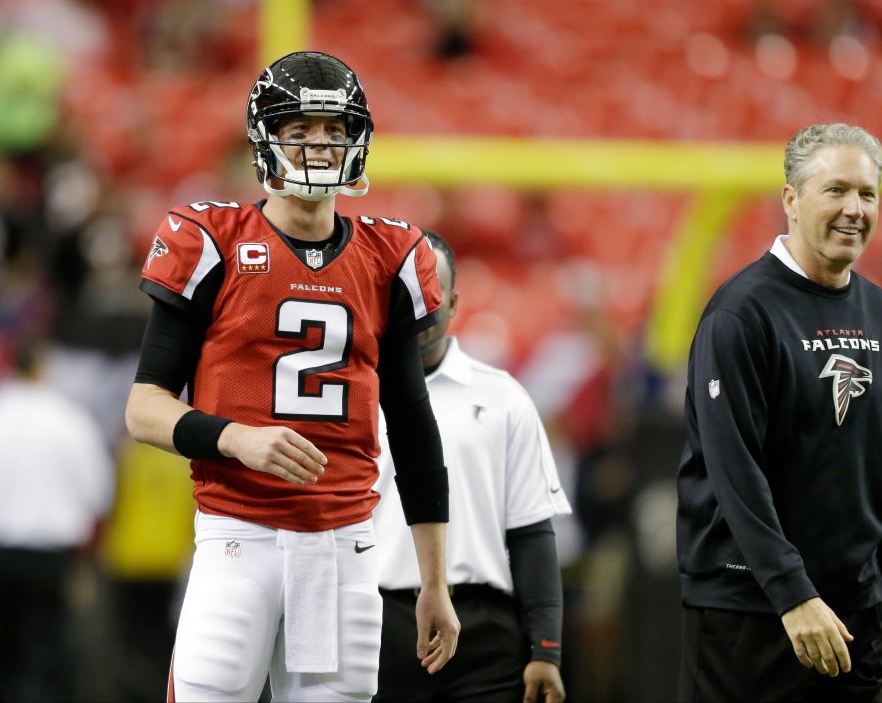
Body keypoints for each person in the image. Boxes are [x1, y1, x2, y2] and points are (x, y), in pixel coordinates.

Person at [124, 50, 460, 703]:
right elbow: (143, 408)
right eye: (300, 130)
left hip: (343, 553)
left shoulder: (389, 256)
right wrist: (235, 438)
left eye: (334, 132)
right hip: (237, 541)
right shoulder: (213, 240)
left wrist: (434, 582)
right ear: (266, 138)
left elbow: (415, 430)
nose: (319, 147)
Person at [675, 123, 882, 703]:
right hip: (753, 616)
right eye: (836, 191)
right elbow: (735, 475)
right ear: (791, 201)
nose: (854, 210)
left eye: (867, 194)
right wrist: (792, 594)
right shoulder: (739, 314)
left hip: (855, 618)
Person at [371, 230, 572, 703]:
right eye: (408, 294)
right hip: (377, 626)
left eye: (433, 292)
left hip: (485, 632)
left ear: (455, 302)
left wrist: (547, 647)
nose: (421, 308)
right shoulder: (348, 395)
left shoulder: (503, 398)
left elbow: (531, 534)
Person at [0, 337, 114, 702]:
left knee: (3, 648)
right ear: (42, 368)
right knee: (50, 645)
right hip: (52, 554)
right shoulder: (70, 421)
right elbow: (97, 490)